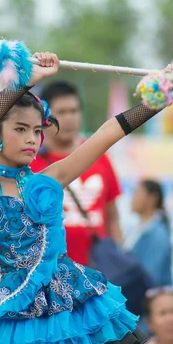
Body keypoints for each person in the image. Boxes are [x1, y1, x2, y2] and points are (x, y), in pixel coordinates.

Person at [0, 52, 168, 344]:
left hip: (73, 304)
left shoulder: (49, 178)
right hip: (24, 316)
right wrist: (27, 80)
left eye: (37, 131)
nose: (32, 138)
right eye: (20, 129)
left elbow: (104, 137)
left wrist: (155, 103)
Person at [29, 81, 123, 265]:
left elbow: (112, 216)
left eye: (74, 111)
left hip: (96, 272)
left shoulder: (100, 156)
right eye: (62, 112)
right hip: (49, 272)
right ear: (45, 116)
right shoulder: (31, 161)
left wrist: (118, 258)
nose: (70, 118)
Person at [128, 179, 172, 286]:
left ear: (152, 198)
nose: (133, 198)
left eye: (137, 193)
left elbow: (152, 276)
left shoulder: (158, 233)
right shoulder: (138, 228)